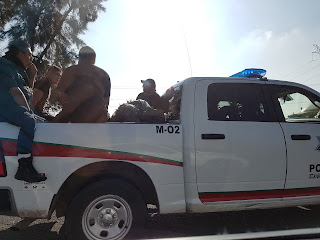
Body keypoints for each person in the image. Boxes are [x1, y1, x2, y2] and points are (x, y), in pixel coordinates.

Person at [0, 40, 47, 183]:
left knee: (41, 120)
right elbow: (16, 93)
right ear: (20, 53)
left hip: (14, 107)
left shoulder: (18, 70)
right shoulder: (4, 66)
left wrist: (32, 76)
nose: (31, 59)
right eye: (30, 55)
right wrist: (30, 114)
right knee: (28, 120)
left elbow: (27, 95)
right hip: (4, 108)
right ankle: (24, 166)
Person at [53, 46, 110, 123]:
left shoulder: (69, 71)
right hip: (97, 119)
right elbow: (106, 102)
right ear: (93, 58)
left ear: (79, 57)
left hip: (72, 117)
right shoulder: (103, 74)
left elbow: (61, 99)